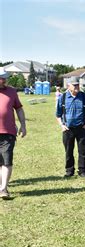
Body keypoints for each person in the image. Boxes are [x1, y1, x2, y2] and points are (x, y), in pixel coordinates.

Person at [55, 76, 85, 178]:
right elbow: (58, 114)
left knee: (83, 151)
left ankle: (82, 170)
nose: (76, 87)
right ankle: (69, 170)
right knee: (68, 151)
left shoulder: (84, 97)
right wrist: (62, 125)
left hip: (82, 128)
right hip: (68, 129)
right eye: (74, 85)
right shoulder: (62, 98)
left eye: (77, 85)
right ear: (68, 86)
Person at [0, 67, 27, 198]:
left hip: (8, 132)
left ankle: (3, 189)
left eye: (5, 78)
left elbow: (19, 109)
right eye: (2, 78)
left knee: (7, 160)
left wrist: (23, 125)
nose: (4, 80)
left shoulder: (11, 91)